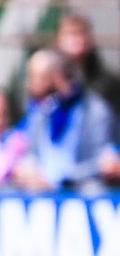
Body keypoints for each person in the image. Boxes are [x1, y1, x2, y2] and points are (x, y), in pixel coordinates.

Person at [13, 47, 114, 192]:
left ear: (56, 76)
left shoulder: (95, 111)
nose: (28, 84)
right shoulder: (41, 110)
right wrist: (26, 169)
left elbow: (103, 165)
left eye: (35, 76)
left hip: (79, 197)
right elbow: (30, 154)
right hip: (42, 196)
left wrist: (56, 180)